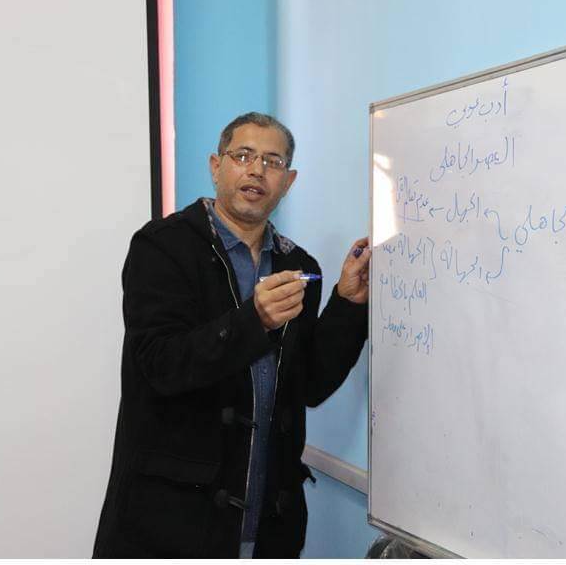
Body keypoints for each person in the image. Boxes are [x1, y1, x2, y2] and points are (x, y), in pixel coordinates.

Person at [92, 112, 371, 558]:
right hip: (171, 525)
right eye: (243, 155)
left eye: (273, 162)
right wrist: (253, 321)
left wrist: (348, 304)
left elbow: (311, 385)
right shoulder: (162, 247)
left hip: (267, 526)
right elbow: (161, 366)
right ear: (216, 166)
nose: (257, 170)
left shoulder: (298, 266)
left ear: (288, 181)